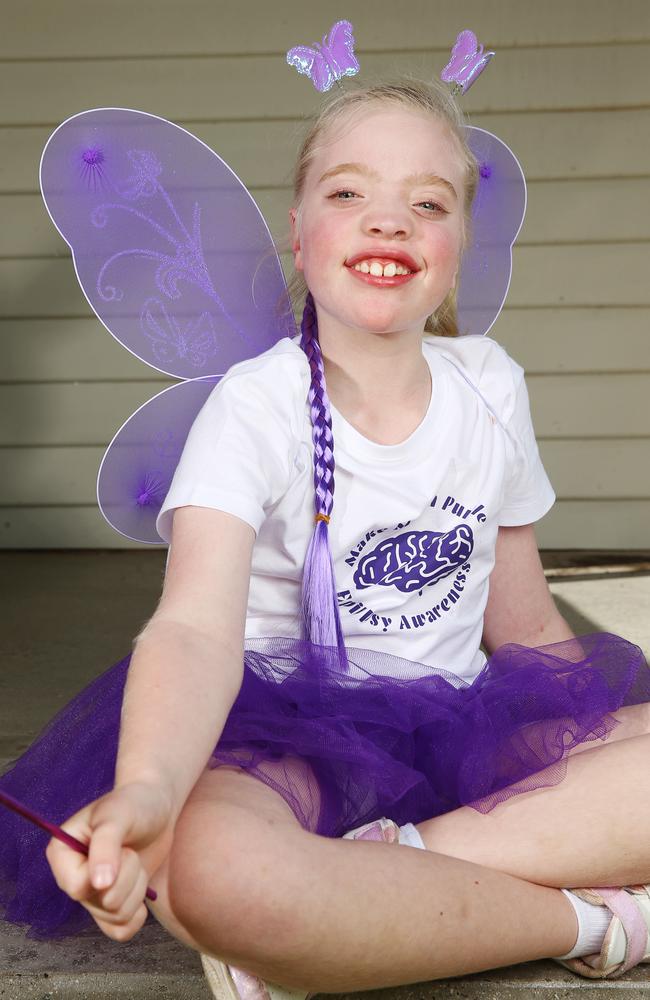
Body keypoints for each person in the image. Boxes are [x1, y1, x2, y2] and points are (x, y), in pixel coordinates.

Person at [4, 75, 650, 997]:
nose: (388, 220)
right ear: (299, 237)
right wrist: (146, 789)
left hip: (467, 734)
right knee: (204, 873)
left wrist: (585, 749)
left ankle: (387, 879)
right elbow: (193, 630)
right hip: (292, 747)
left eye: (427, 202)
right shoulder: (253, 407)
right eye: (349, 193)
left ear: (457, 249)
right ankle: (594, 918)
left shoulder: (491, 386)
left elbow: (529, 626)